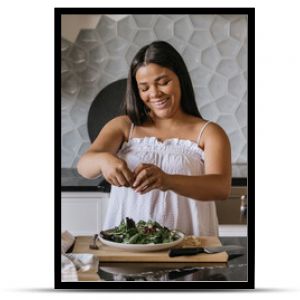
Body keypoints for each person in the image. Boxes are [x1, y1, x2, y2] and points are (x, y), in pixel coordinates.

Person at [77, 41, 231, 236]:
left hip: (189, 248)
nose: (154, 93)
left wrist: (167, 180)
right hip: (127, 248)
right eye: (144, 88)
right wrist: (104, 160)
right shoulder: (124, 126)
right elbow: (84, 167)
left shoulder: (209, 132)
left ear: (180, 79)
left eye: (163, 82)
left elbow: (220, 188)